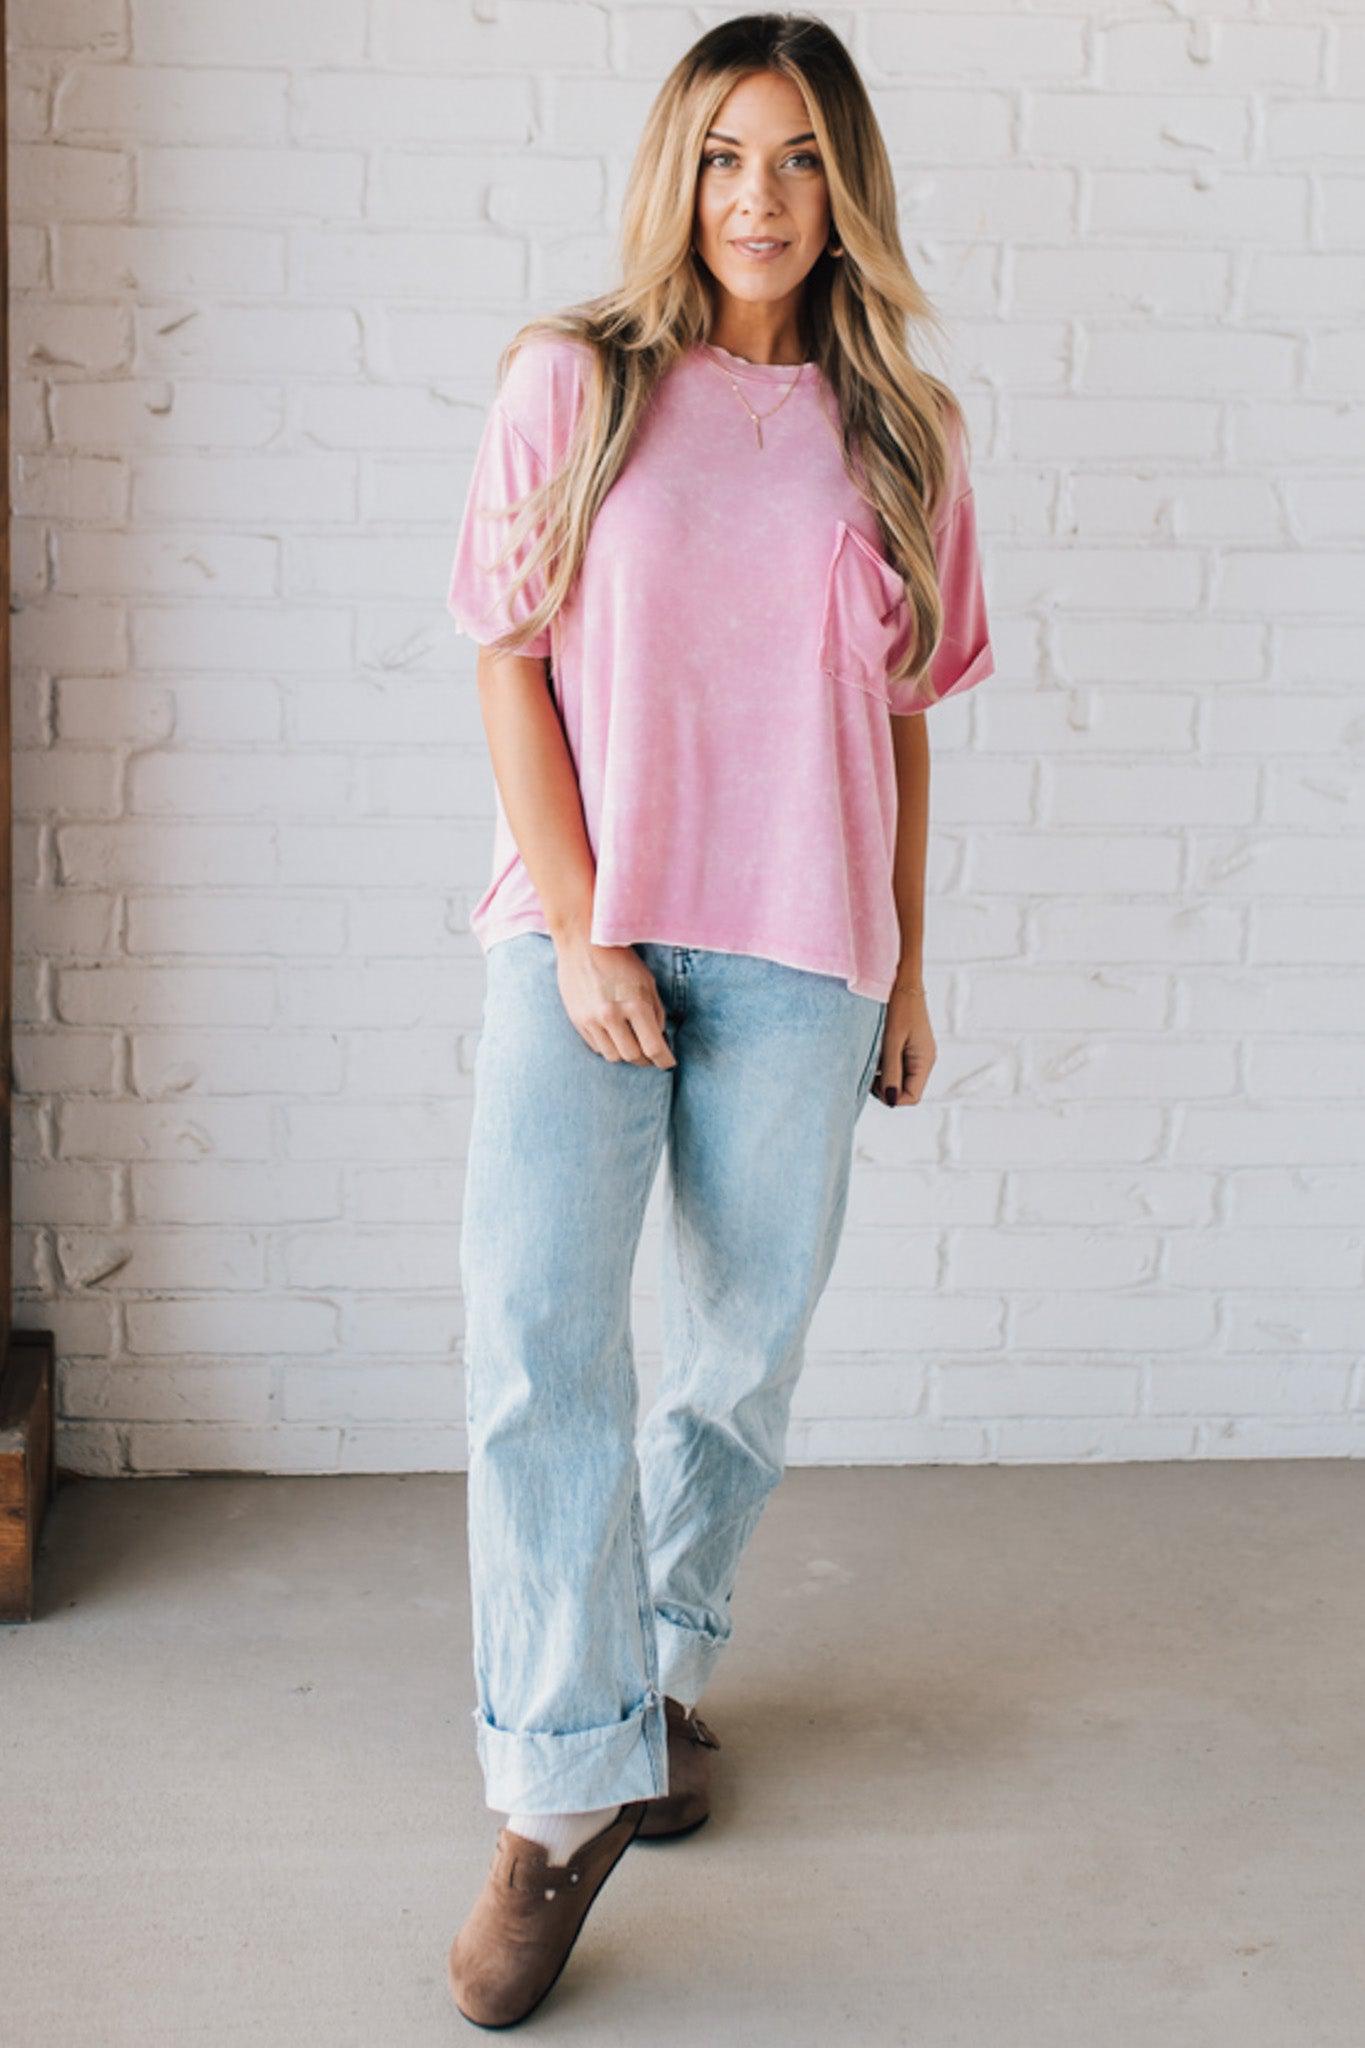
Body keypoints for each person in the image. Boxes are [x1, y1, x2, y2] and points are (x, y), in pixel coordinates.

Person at [443, 12, 994, 2028]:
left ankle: (654, 1668)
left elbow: (906, 723)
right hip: (587, 934)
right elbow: (506, 659)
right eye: (719, 158)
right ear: (674, 174)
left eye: (794, 162)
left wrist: (906, 964)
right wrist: (581, 931)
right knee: (531, 1340)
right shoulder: (571, 382)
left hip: (801, 953)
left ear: (844, 186)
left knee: (737, 1353)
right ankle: (554, 1795)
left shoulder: (902, 429)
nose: (755, 201)